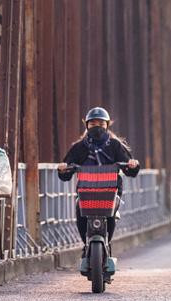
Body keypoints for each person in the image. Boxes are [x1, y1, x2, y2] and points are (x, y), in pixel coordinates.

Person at [57, 107, 140, 257]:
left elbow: (130, 169)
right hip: (86, 190)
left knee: (110, 215)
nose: (97, 127)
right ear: (87, 125)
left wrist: (132, 164)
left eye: (101, 124)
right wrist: (63, 168)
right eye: (93, 123)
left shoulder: (115, 145)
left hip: (111, 189)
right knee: (80, 213)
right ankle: (86, 243)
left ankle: (106, 243)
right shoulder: (79, 147)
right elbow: (66, 170)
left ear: (107, 125)